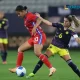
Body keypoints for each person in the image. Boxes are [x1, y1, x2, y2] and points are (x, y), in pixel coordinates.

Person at [27, 14, 80, 78]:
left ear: (70, 22)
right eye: (64, 21)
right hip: (54, 46)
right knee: (44, 58)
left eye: (66, 21)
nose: (64, 22)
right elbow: (49, 23)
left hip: (63, 49)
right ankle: (33, 73)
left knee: (70, 63)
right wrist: (41, 18)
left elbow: (76, 38)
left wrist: (78, 40)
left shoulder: (72, 30)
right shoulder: (60, 25)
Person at [9, 5, 56, 76]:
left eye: (19, 13)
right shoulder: (26, 17)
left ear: (23, 11)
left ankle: (51, 68)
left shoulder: (29, 15)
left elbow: (39, 20)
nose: (18, 15)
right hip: (34, 37)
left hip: (39, 35)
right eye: (17, 14)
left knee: (37, 52)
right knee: (20, 49)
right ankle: (17, 67)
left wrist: (35, 27)